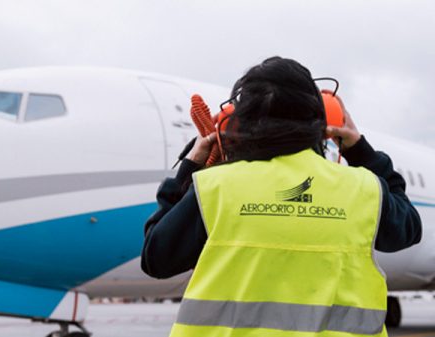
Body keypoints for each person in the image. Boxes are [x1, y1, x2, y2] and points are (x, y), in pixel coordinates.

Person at [141, 56, 422, 337]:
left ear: (233, 124)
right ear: (325, 122)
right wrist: (361, 151)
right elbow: (409, 230)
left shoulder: (214, 188)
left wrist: (189, 168)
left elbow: (157, 259)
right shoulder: (364, 189)